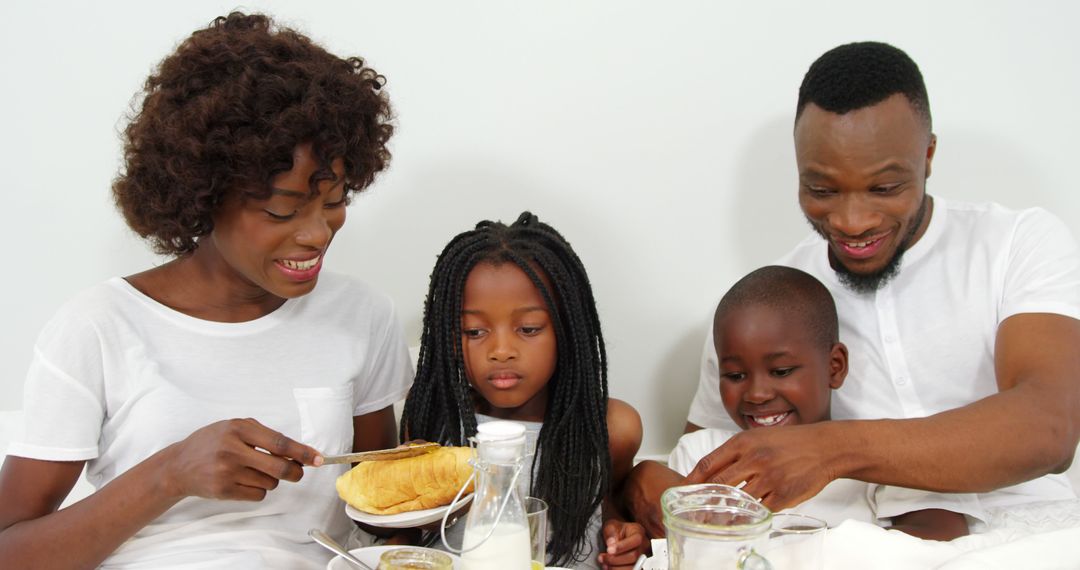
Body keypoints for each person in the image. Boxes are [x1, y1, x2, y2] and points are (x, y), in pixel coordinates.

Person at [0, 13, 411, 569]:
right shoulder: (98, 328)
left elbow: (380, 506)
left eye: (334, 202)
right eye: (282, 210)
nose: (316, 234)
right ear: (202, 193)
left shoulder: (361, 315)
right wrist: (169, 474)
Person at [628, 41, 1080, 535]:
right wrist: (641, 482)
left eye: (884, 188)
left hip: (1034, 533)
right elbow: (708, 460)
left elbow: (1050, 427)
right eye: (821, 190)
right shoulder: (767, 306)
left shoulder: (1018, 243)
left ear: (927, 156)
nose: (852, 221)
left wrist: (829, 450)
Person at [629, 266, 981, 541]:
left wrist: (800, 548)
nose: (756, 394)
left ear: (835, 367)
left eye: (781, 371)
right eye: (735, 376)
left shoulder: (873, 455)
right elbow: (668, 541)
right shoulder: (701, 455)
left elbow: (940, 533)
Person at [400, 212, 647, 569]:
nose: (501, 350)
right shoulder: (436, 418)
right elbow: (403, 531)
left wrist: (621, 533)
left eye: (528, 329)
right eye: (474, 331)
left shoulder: (611, 426)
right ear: (450, 337)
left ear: (566, 330)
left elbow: (608, 507)